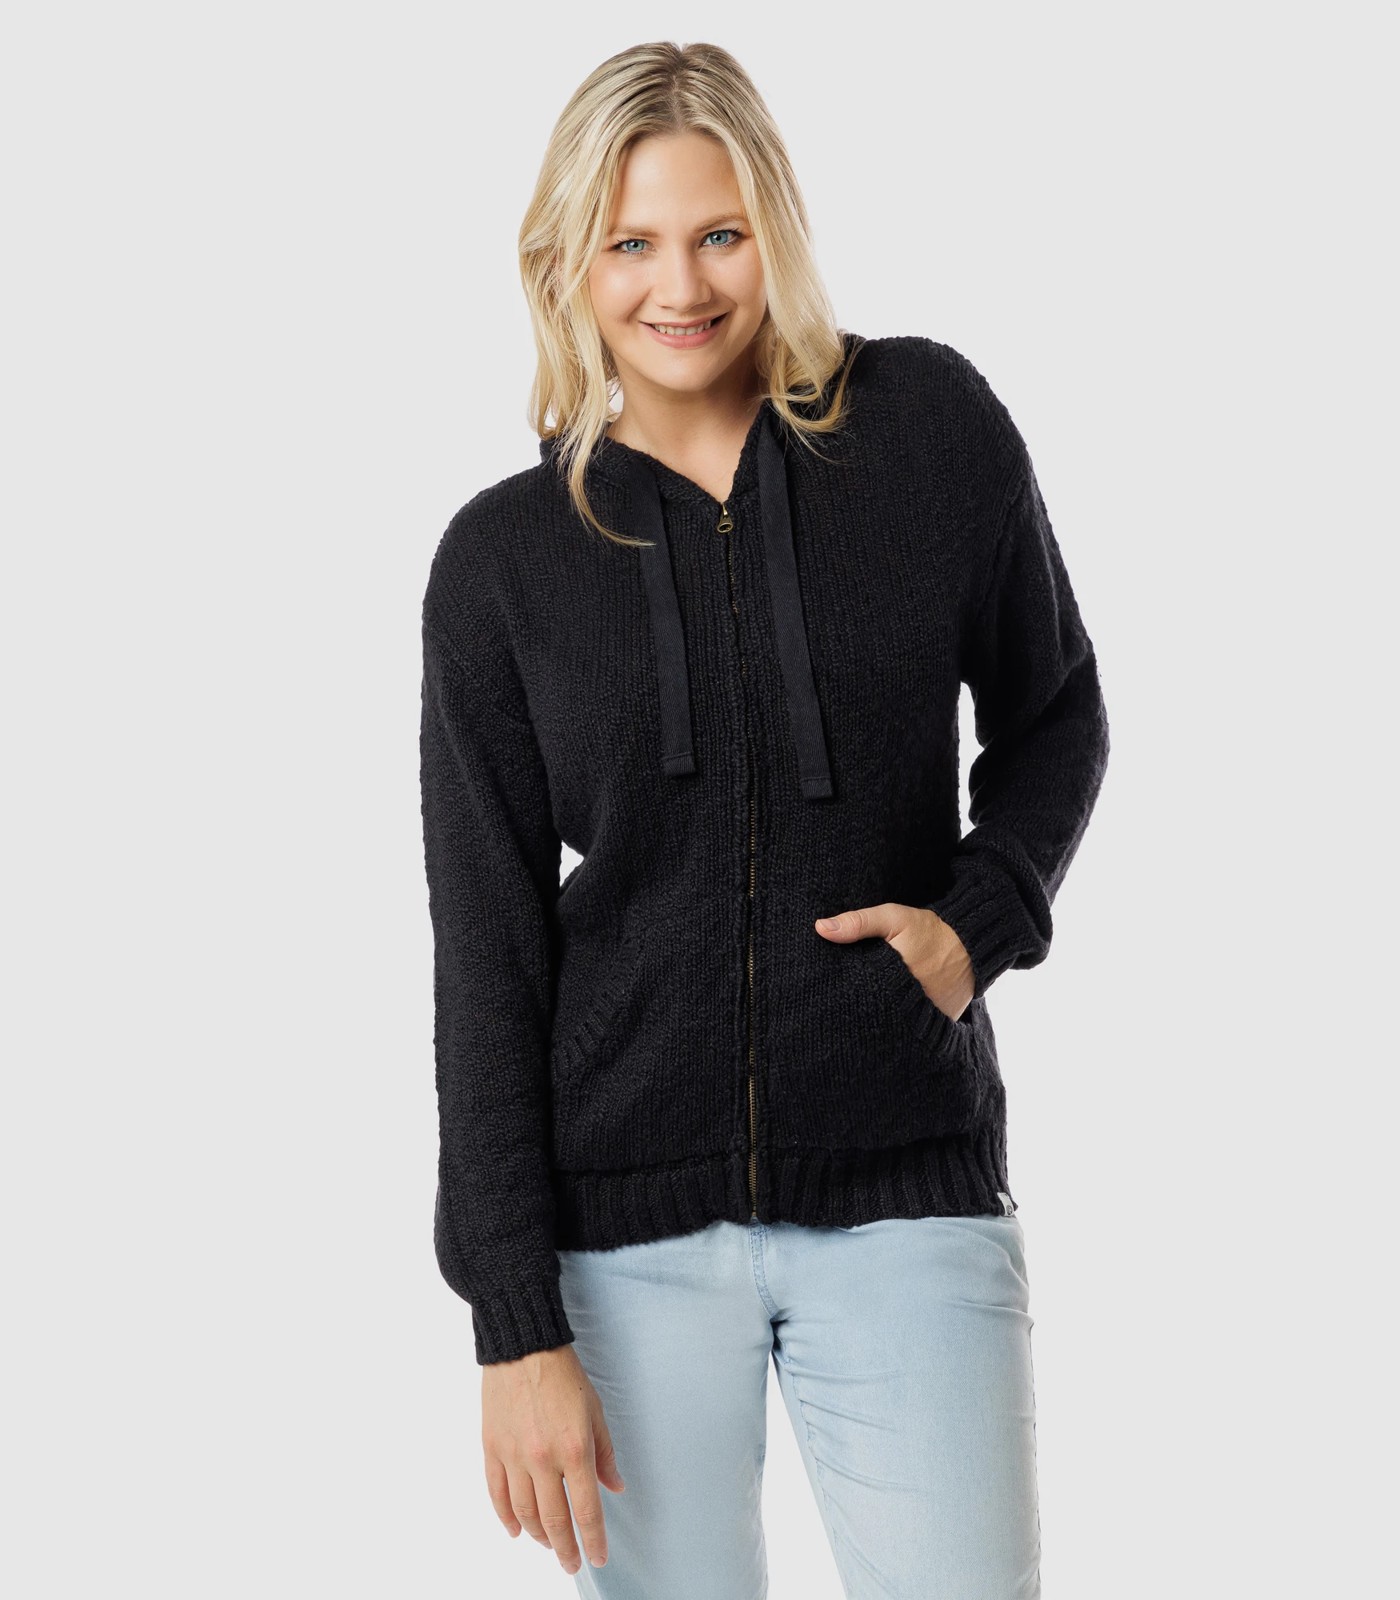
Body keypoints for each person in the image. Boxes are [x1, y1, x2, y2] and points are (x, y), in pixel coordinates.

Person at [419, 40, 1110, 1600]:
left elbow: (1059, 710)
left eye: (719, 233)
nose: (682, 286)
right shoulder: (503, 565)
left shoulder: (926, 430)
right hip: (622, 1251)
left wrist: (981, 919)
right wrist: (513, 1322)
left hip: (908, 1199)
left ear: (775, 229)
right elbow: (488, 959)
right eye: (632, 243)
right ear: (567, 262)